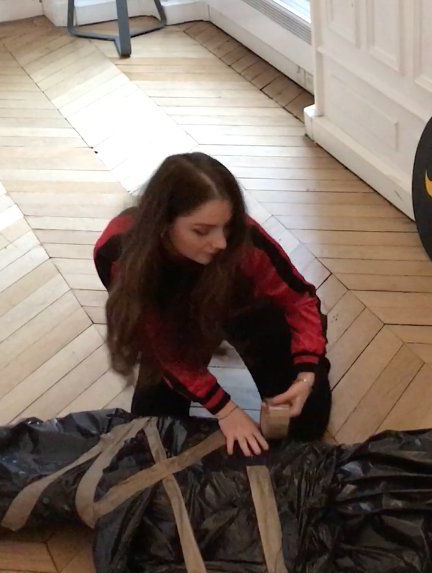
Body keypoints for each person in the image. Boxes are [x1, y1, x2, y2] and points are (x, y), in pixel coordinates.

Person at [94, 152, 331, 456]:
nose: (221, 243)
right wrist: (226, 410)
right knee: (154, 432)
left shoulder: (245, 241)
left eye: (227, 226)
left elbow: (300, 299)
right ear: (163, 224)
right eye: (201, 231)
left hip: (247, 308)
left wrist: (307, 372)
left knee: (305, 422)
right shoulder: (118, 252)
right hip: (176, 320)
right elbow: (161, 343)